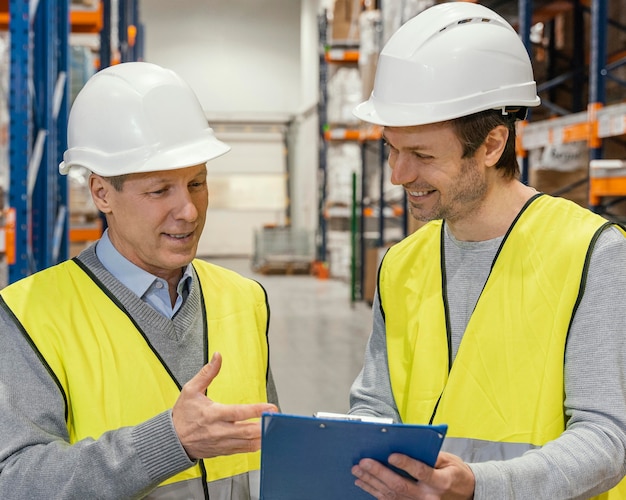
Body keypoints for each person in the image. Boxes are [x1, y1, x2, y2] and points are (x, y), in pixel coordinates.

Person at [348, 2, 626, 499]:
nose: (398, 174)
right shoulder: (401, 263)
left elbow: (607, 439)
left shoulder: (590, 253)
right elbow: (375, 403)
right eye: (391, 148)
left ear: (493, 145)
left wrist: (478, 486)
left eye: (422, 156)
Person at [0, 61, 279, 499]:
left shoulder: (245, 299)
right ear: (101, 193)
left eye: (197, 183)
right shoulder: (29, 316)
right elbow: (16, 482)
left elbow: (271, 457)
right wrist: (169, 443)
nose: (188, 210)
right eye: (159, 191)